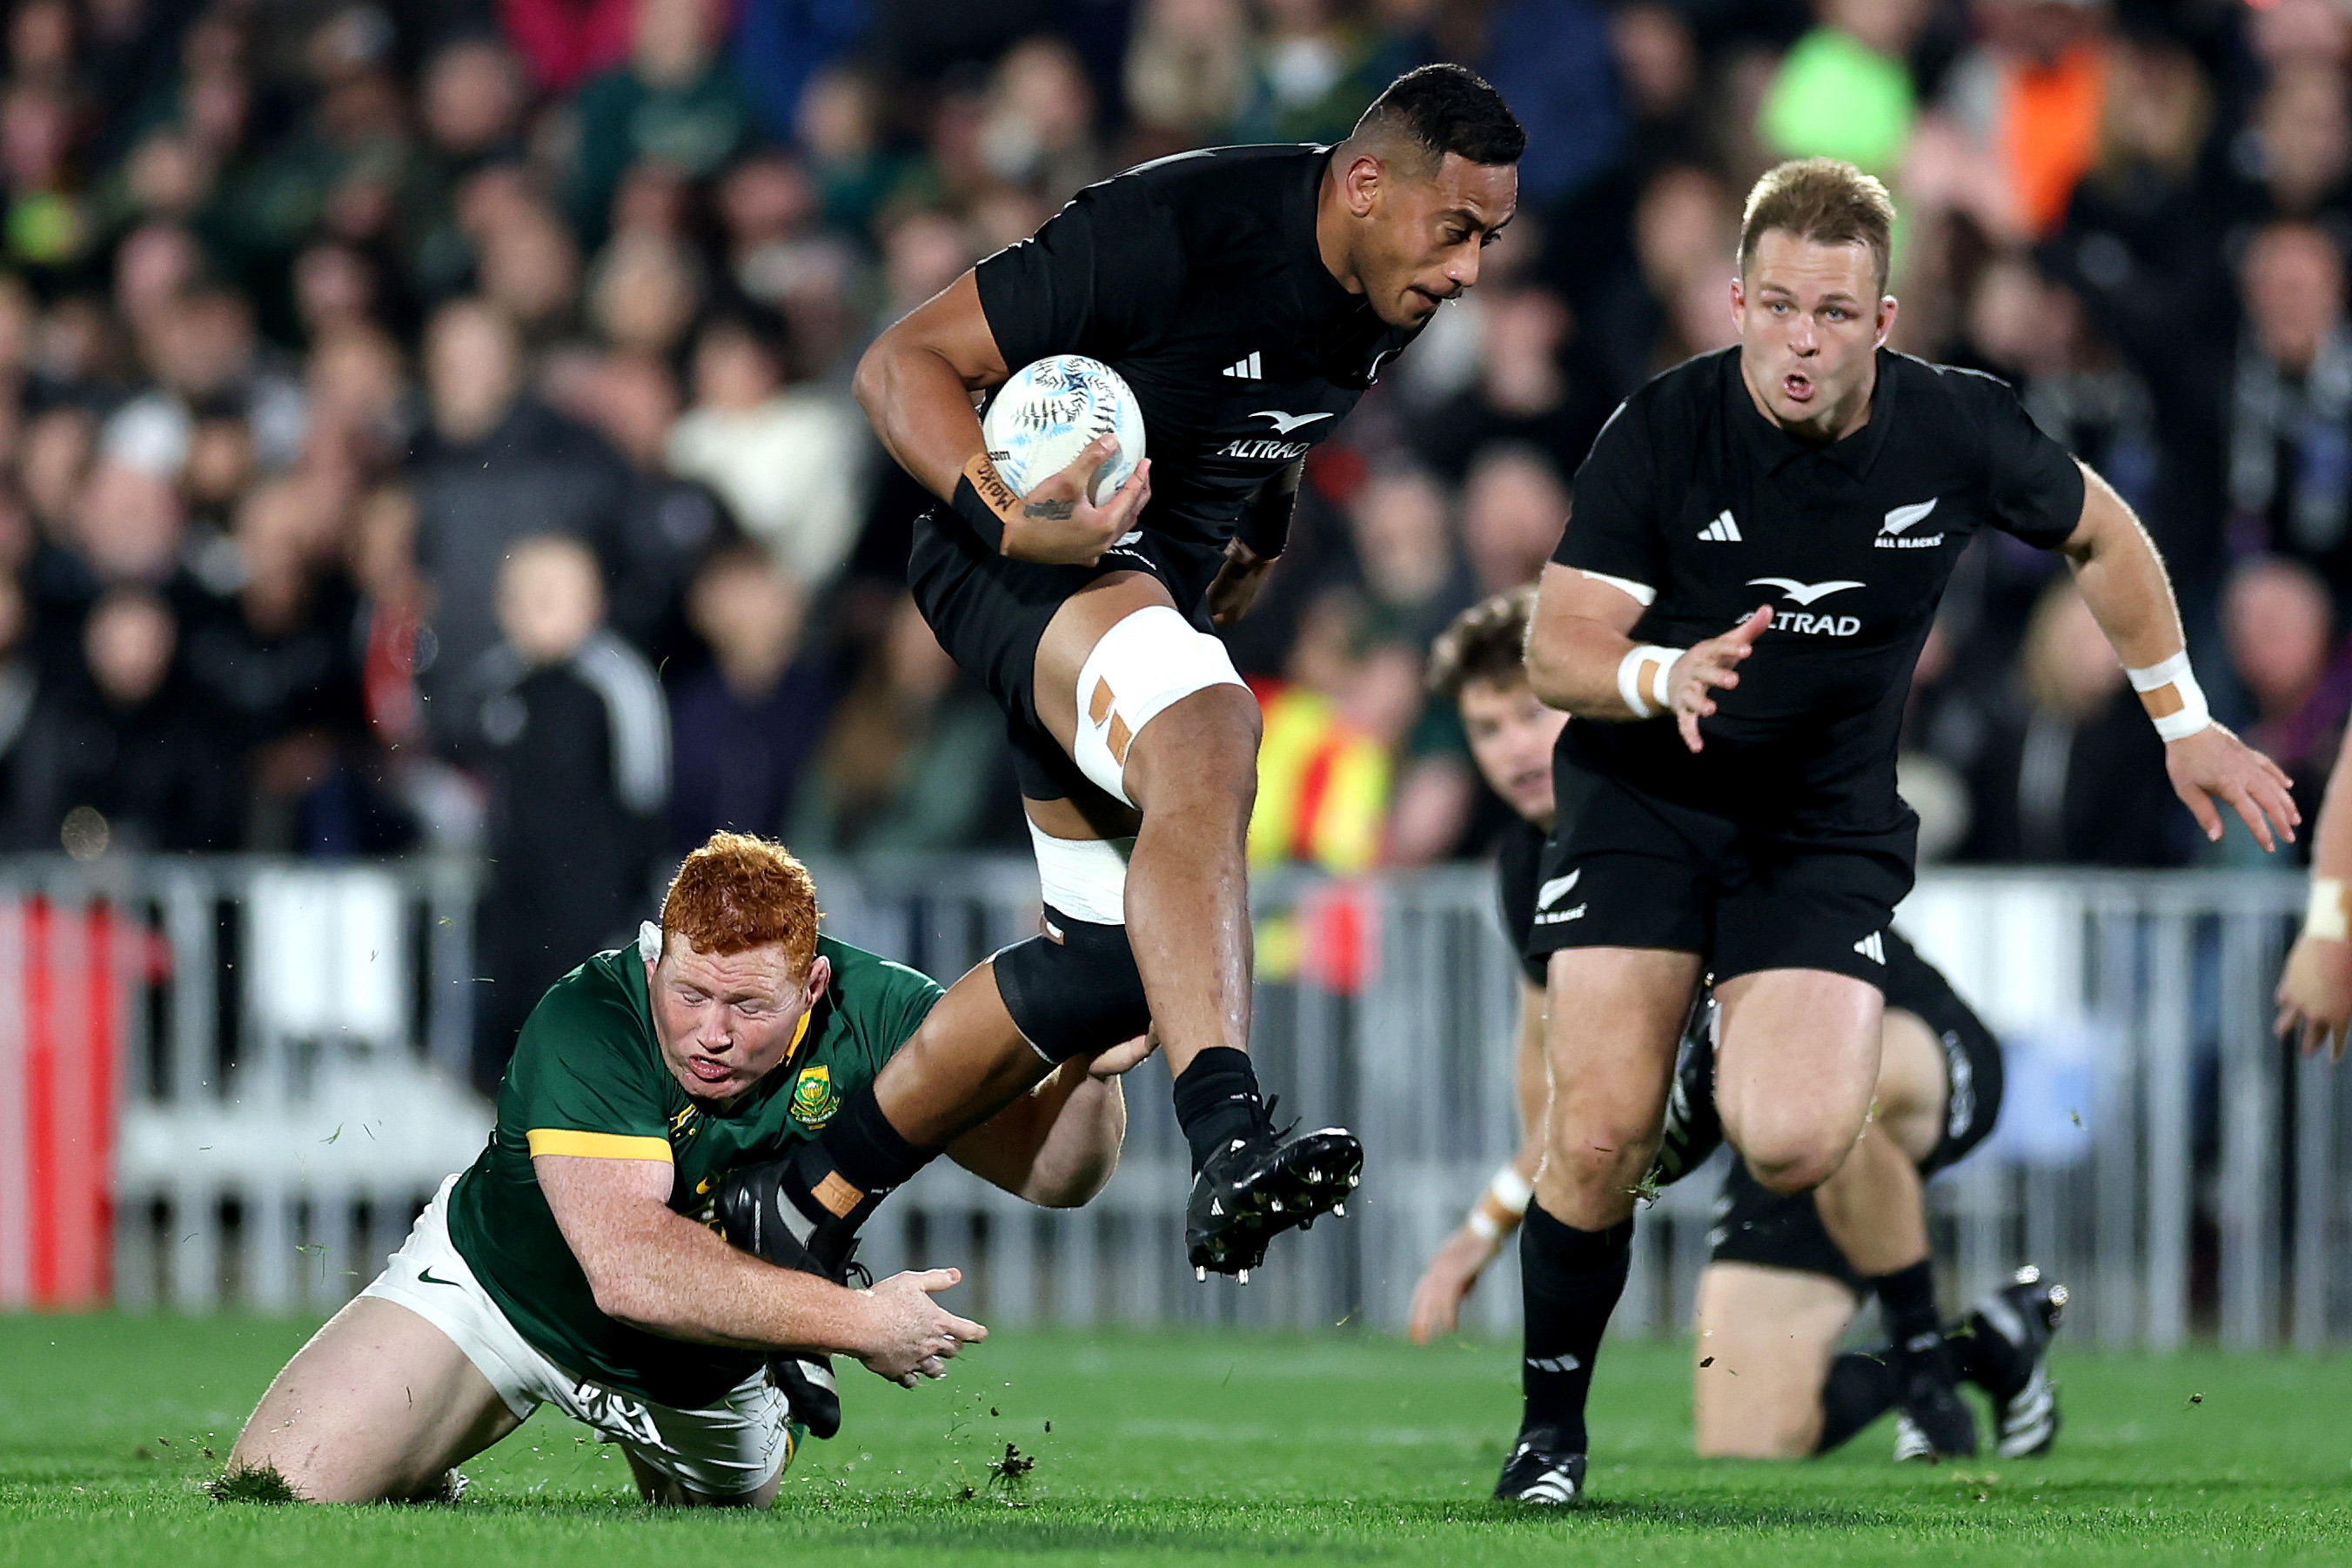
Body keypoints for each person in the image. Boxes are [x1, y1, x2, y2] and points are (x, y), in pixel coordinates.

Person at [1501, 157, 2296, 1504]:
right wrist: (1662, 673)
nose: (1799, 340)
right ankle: (1547, 1435)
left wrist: (2181, 720)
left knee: (1799, 1137)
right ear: (1732, 300)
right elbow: (1556, 647)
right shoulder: (1659, 427)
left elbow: (2103, 537)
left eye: (1831, 312)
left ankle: (1706, 1073)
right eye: (1775, 307)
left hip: (1819, 831)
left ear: (1883, 320)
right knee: (1590, 1138)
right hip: (1648, 800)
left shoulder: (1956, 429)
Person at [745, 64, 1524, 1289]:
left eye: (1490, 238)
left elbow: (1269, 400)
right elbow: (898, 365)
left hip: (1138, 583)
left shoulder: (1390, 289)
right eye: (1457, 230)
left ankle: (803, 1206)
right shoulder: (1170, 228)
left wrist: (1260, 523)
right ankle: (1226, 1128)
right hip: (1011, 558)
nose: (1470, 268)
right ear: (1365, 186)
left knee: (1105, 992)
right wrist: (1010, 518)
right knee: (1208, 730)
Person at [222, 832, 1139, 1507]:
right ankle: (422, 1454)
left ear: (814, 986)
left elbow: (1056, 1173)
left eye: (747, 1004)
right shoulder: (591, 1016)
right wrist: (857, 1319)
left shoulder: (879, 1015)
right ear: (656, 955)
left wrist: (1087, 1074)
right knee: (270, 1493)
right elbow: (626, 1268)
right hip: (505, 1298)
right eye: (691, 990)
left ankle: (754, 1410)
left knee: (714, 1531)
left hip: (701, 1370)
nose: (711, 1029)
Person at [1405, 586, 2065, 1464]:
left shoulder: (1680, 780)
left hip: (1902, 1042)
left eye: (1531, 713)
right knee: (1750, 1436)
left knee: (1825, 1097)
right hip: (1758, 1116)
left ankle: (1921, 1363)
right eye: (1486, 729)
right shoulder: (1530, 870)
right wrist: (1484, 1226)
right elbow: (1562, 1106)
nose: (1515, 748)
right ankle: (1981, 1345)